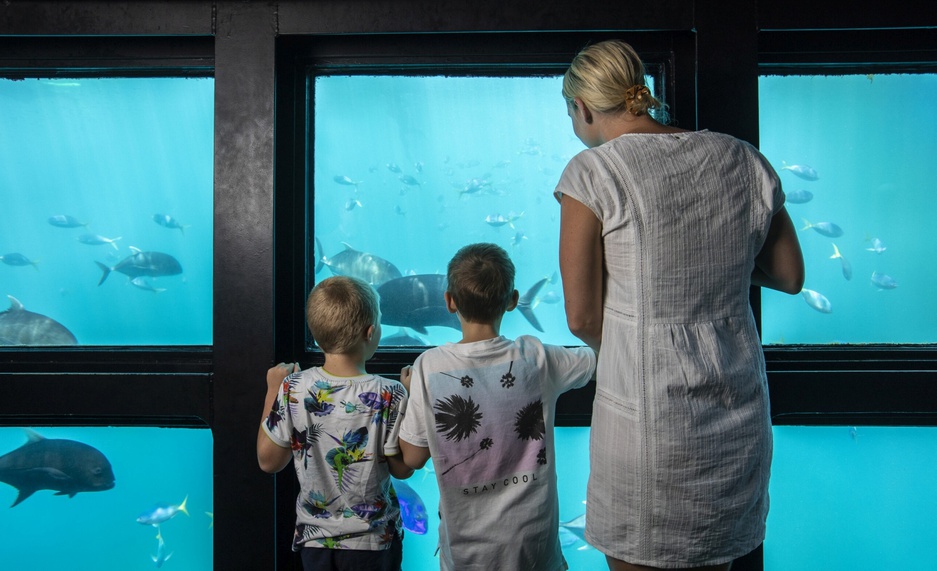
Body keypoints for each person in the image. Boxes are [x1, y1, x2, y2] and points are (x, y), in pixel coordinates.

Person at [554, 40, 805, 571]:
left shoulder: (593, 172)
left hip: (647, 424)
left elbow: (581, 315)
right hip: (736, 418)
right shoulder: (742, 158)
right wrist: (725, 268)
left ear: (582, 108)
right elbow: (789, 275)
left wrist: (626, 347)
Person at [397, 243, 597, 571]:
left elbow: (412, 458)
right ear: (513, 300)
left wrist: (411, 395)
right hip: (535, 550)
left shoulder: (427, 368)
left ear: (449, 301)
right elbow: (599, 358)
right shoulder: (538, 357)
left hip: (467, 555)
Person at [257, 275, 414, 571]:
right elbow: (402, 468)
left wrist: (272, 391)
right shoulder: (391, 393)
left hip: (315, 543)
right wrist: (414, 398)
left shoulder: (294, 387)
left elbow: (268, 461)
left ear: (316, 336)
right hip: (373, 544)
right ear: (371, 332)